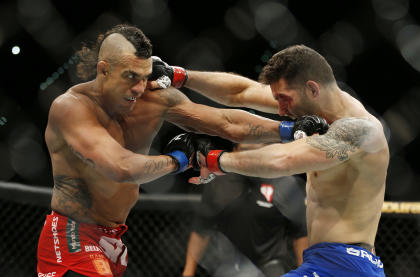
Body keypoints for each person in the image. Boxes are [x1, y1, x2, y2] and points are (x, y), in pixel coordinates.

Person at [36, 24, 328, 277]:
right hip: (72, 233)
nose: (139, 87)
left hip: (114, 238)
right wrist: (177, 161)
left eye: (144, 75)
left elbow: (224, 122)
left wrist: (288, 129)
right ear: (104, 69)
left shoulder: (151, 98)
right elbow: (120, 167)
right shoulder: (71, 108)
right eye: (129, 76)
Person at [162, 45, 389, 276]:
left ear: (312, 89)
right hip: (324, 261)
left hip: (345, 265)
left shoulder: (359, 130)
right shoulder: (314, 107)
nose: (280, 110)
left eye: (284, 100)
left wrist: (214, 159)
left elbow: (283, 159)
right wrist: (178, 76)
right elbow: (240, 92)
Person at [182, 141, 308, 277]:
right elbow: (201, 229)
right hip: (227, 266)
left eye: (256, 153)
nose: (251, 158)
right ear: (235, 152)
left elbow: (300, 233)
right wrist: (188, 272)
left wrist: (304, 272)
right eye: (246, 151)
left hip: (271, 266)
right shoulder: (219, 184)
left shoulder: (284, 183)